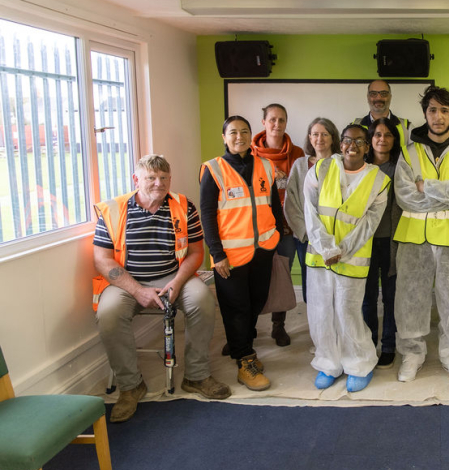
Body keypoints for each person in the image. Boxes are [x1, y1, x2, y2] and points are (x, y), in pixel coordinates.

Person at [93, 154, 230, 423]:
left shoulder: (183, 206)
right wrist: (137, 291)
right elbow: (102, 259)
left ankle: (197, 375)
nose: (159, 183)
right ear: (136, 180)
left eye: (164, 178)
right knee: (108, 314)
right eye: (151, 178)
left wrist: (177, 282)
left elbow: (195, 253)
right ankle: (131, 386)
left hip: (172, 276)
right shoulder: (113, 210)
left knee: (202, 300)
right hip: (128, 283)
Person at [394, 86, 449, 383]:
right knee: (410, 297)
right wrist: (447, 196)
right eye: (433, 110)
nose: (438, 116)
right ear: (425, 114)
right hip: (413, 236)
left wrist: (426, 186)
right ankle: (412, 353)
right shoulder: (408, 153)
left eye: (444, 110)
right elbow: (405, 196)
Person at [304, 124, 390, 392]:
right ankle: (329, 363)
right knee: (321, 312)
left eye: (359, 141)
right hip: (319, 257)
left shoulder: (378, 179)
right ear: (340, 144)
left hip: (352, 259)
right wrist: (326, 248)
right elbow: (310, 213)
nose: (352, 146)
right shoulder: (321, 169)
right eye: (346, 140)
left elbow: (368, 225)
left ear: (368, 147)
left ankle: (360, 364)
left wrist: (341, 250)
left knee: (347, 312)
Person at [200, 115, 283, 392]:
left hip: (263, 249)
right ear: (224, 137)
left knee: (256, 303)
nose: (239, 136)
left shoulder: (266, 166)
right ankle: (244, 360)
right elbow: (208, 215)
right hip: (230, 256)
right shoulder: (214, 170)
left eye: (244, 131)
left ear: (251, 135)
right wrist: (216, 253)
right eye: (233, 132)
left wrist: (278, 237)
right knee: (236, 308)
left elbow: (274, 206)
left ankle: (242, 345)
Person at [251, 103, 305, 347]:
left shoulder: (298, 153)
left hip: (287, 228)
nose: (276, 124)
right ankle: (248, 327)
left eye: (281, 119)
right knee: (256, 278)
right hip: (258, 230)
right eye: (272, 119)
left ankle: (278, 326)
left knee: (281, 277)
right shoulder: (250, 154)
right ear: (263, 122)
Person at [361, 118, 403, 369]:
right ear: (370, 139)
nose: (382, 139)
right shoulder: (359, 168)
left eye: (388, 135)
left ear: (394, 140)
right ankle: (368, 343)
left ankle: (388, 345)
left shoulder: (400, 169)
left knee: (391, 297)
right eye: (377, 134)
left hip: (391, 241)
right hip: (364, 242)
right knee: (366, 297)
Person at [285, 118, 340, 304]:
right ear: (309, 138)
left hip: (335, 236)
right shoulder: (300, 165)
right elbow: (291, 202)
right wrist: (307, 233)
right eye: (315, 134)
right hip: (307, 239)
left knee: (336, 284)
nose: (320, 138)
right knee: (311, 285)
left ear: (333, 138)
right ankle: (316, 328)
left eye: (325, 134)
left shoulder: (341, 164)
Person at [353, 79, 412, 147]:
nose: (378, 98)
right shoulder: (354, 126)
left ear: (390, 97)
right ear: (368, 97)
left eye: (384, 94)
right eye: (373, 94)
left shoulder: (407, 128)